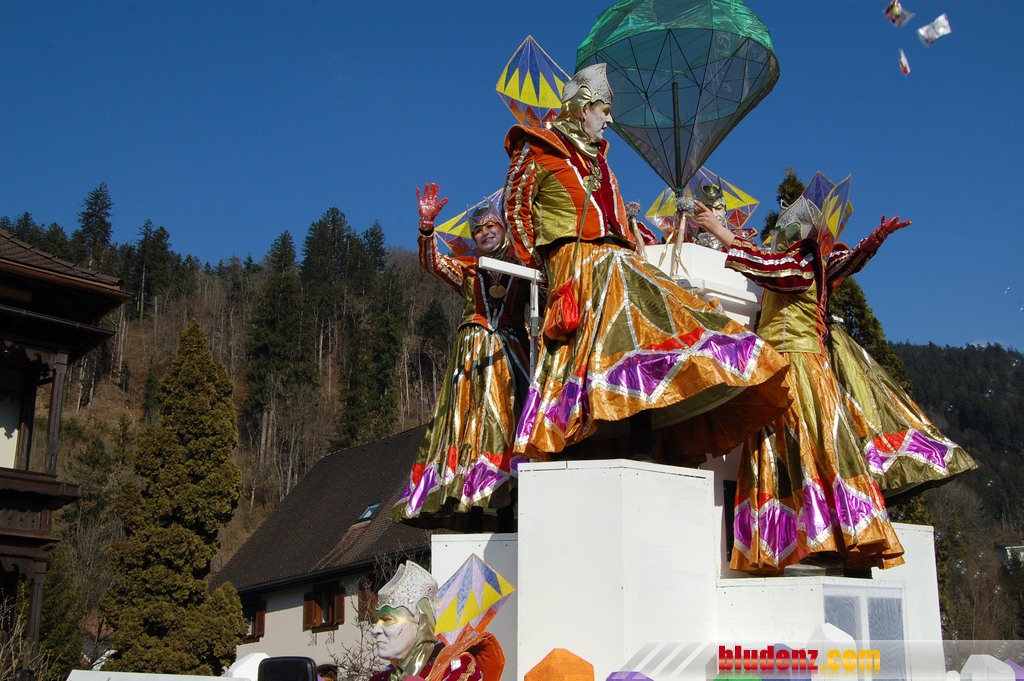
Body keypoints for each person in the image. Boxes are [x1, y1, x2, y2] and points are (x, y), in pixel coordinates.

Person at [503, 63, 791, 463]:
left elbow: (620, 221)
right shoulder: (538, 148)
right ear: (584, 109)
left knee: (647, 316)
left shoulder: (603, 163)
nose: (609, 121)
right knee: (609, 318)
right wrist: (539, 265)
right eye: (605, 111)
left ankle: (646, 431)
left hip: (618, 261)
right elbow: (515, 209)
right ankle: (585, 436)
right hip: (576, 262)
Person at [697, 196, 916, 575]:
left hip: (798, 367)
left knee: (805, 449)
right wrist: (872, 242)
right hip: (786, 366)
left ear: (792, 234)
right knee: (788, 452)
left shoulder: (798, 263)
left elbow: (767, 267)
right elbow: (846, 262)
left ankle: (822, 539)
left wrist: (721, 232)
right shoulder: (811, 265)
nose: (774, 236)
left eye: (780, 230)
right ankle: (803, 539)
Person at [390, 186, 530, 532]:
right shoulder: (468, 270)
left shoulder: (524, 266)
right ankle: (472, 507)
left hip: (513, 352)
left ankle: (510, 504)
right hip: (474, 354)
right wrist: (426, 229)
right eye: (478, 230)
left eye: (491, 226)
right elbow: (432, 263)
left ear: (503, 229)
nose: (485, 233)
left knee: (513, 420)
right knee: (471, 422)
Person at [369, 562, 504, 681]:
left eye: (387, 620)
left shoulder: (457, 668)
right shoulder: (380, 679)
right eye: (376, 621)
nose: (375, 630)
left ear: (420, 622)